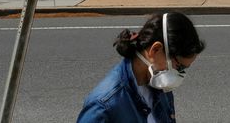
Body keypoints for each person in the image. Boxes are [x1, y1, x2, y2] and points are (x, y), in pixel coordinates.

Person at [77, 12, 205, 123]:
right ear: (155, 50)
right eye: (179, 66)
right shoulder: (104, 105)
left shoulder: (159, 86)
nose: (179, 74)